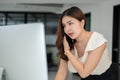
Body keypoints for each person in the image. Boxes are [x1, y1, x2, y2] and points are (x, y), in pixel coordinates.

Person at [55, 6, 118, 80]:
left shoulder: (97, 40)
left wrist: (68, 52)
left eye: (70, 23)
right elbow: (62, 72)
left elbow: (84, 73)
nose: (67, 29)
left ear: (82, 23)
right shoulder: (67, 44)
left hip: (109, 77)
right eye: (64, 26)